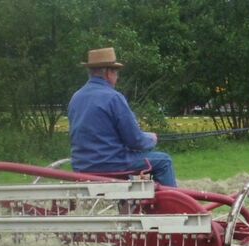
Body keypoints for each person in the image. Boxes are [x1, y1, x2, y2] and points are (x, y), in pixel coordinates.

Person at [68, 47, 177, 187]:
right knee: (164, 161)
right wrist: (151, 139)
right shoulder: (113, 98)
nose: (117, 77)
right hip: (111, 163)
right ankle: (170, 200)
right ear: (108, 73)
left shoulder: (76, 97)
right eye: (116, 73)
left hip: (82, 166)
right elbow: (135, 140)